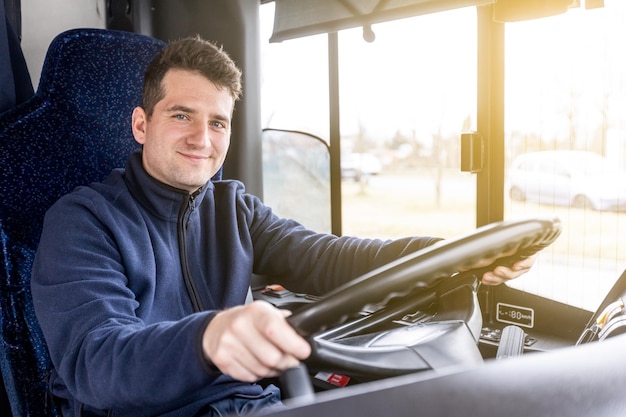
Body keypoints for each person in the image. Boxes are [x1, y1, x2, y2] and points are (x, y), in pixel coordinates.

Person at [30, 35, 536, 417]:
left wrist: (449, 252)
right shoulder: (83, 220)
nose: (201, 138)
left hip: (250, 403)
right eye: (181, 115)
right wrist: (210, 337)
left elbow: (330, 258)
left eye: (218, 122)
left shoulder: (235, 208)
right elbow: (97, 360)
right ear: (142, 124)